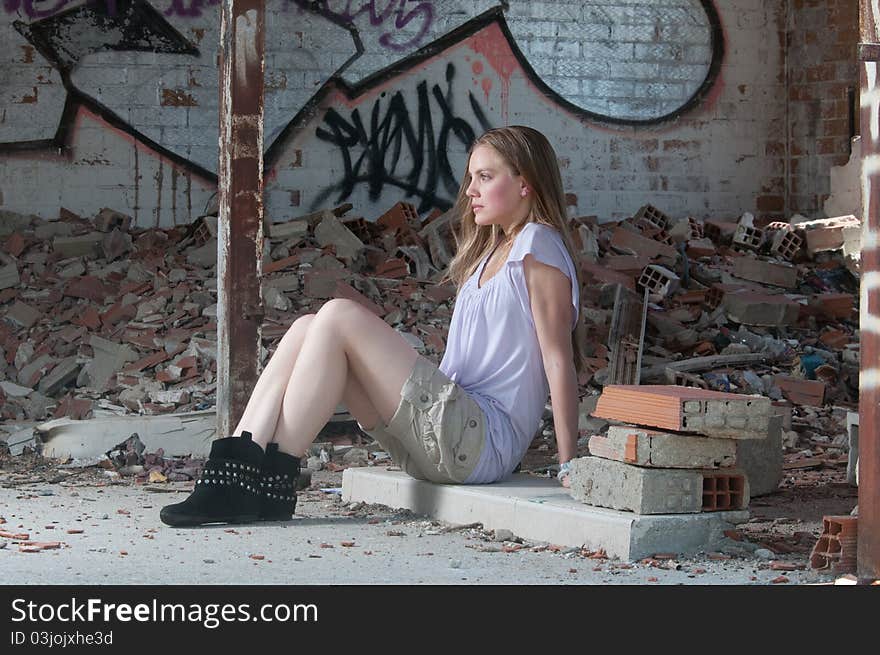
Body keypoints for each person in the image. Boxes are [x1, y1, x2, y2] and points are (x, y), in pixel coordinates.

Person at [160, 125, 586, 527]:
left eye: (485, 176)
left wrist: (569, 463)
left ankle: (242, 477)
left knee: (338, 315)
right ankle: (259, 478)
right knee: (310, 325)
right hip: (447, 438)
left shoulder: (537, 245)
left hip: (478, 441)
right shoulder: (490, 255)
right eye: (471, 177)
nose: (470, 190)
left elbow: (557, 360)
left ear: (525, 183)